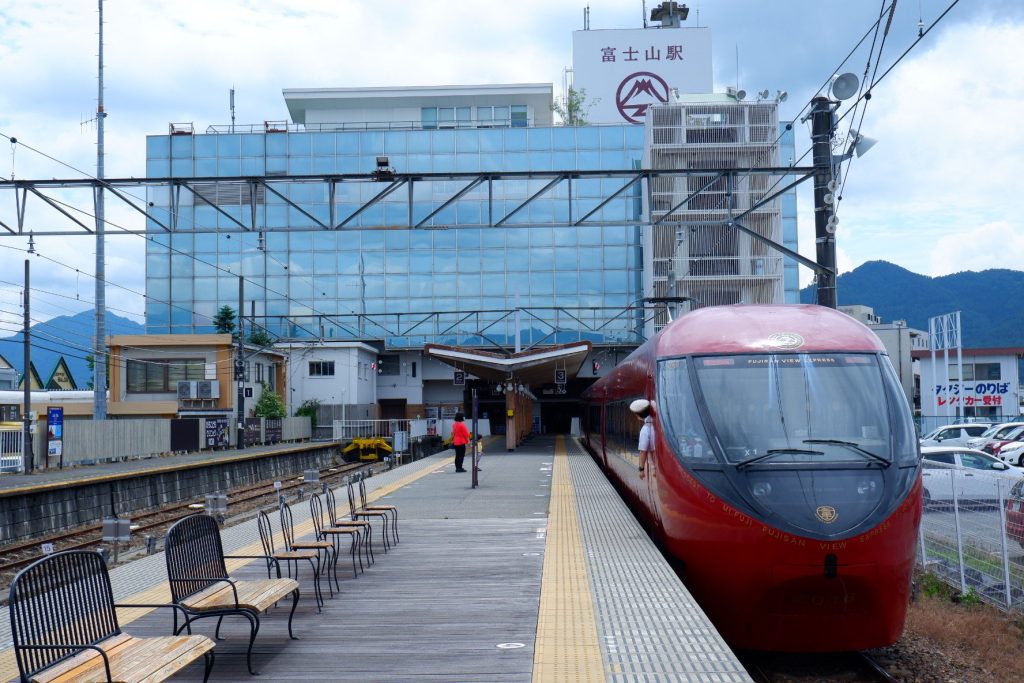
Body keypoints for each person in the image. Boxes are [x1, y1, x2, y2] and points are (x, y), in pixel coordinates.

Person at [631, 398, 655, 478]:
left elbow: (643, 451)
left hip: (655, 469)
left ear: (638, 415)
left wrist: (641, 470)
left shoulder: (646, 430)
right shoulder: (658, 425)